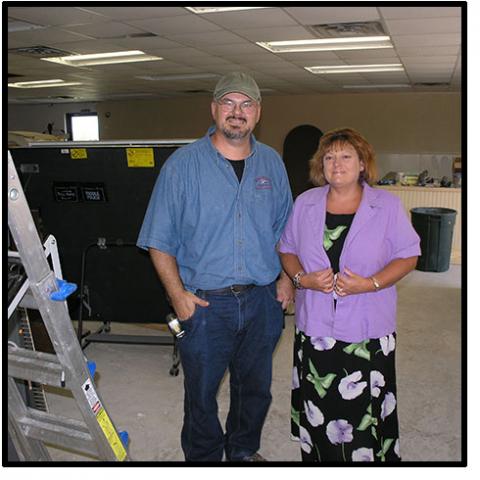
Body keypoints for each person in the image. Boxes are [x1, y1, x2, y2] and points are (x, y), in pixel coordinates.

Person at [137, 72, 294, 462]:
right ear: (214, 109)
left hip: (261, 302)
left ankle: (242, 451)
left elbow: (287, 231)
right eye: (229, 103)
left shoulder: (272, 163)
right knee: (202, 393)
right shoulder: (183, 165)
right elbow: (159, 239)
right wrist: (178, 297)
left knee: (255, 387)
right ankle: (204, 459)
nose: (237, 112)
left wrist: (287, 279)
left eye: (246, 105)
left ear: (257, 113)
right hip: (205, 306)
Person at [278, 127, 420, 462]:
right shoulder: (305, 203)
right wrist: (302, 279)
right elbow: (286, 249)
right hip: (315, 329)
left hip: (368, 331)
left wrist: (369, 283)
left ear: (361, 164)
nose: (336, 163)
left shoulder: (386, 205)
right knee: (319, 406)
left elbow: (409, 255)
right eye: (329, 157)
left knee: (366, 413)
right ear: (320, 165)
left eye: (345, 156)